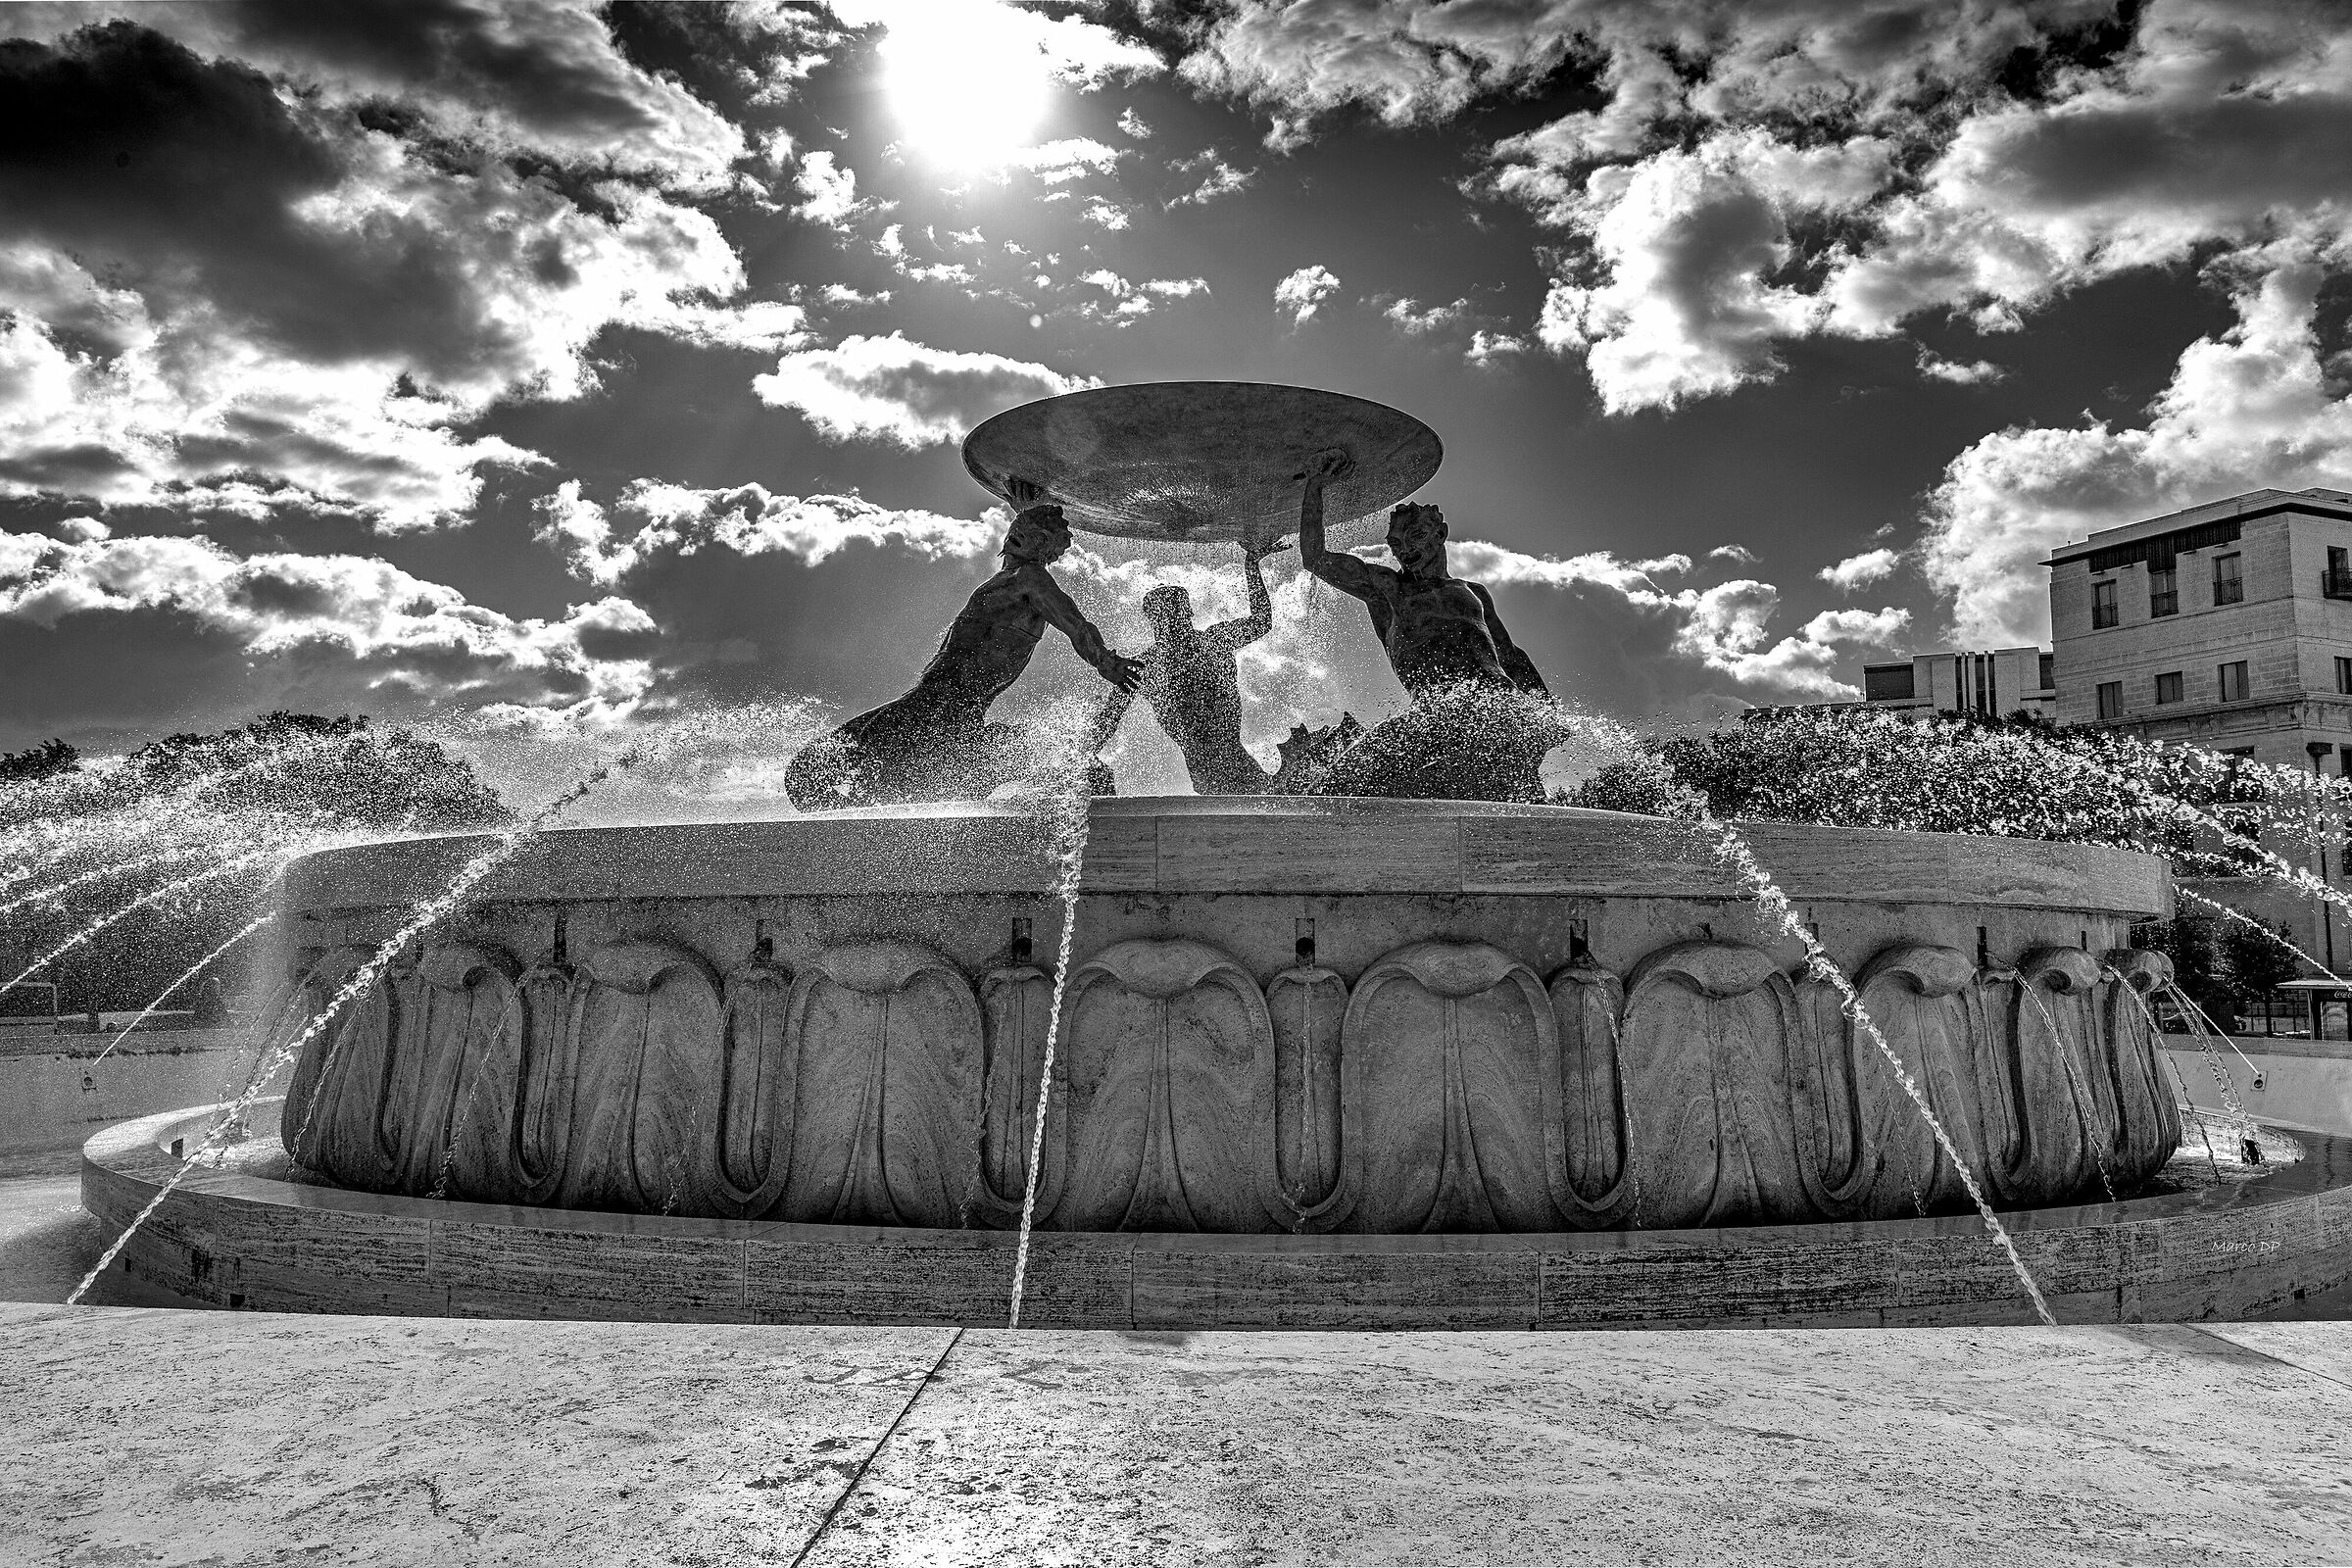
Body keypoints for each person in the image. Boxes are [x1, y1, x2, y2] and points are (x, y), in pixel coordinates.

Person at [785, 479, 1143, 810]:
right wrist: (1026, 510)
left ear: (1039, 548)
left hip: (939, 711)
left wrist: (1105, 661)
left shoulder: (1030, 578)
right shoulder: (1011, 577)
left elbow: (1075, 624)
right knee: (823, 774)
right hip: (940, 710)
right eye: (1018, 528)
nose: (1015, 534)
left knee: (823, 770)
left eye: (1027, 534)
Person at [1294, 450, 1556, 802]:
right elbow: (1316, 559)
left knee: (1518, 797)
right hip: (1437, 714)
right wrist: (1316, 485)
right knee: (1337, 788)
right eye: (1396, 544)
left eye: (1416, 536)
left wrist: (1547, 713)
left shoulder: (1473, 592)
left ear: (1440, 534)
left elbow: (1510, 655)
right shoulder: (1387, 588)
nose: (1405, 550)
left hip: (1500, 708)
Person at [1087, 536, 1296, 795]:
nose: (1174, 620)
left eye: (1177, 612)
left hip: (1228, 765)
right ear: (1153, 621)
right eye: (1167, 615)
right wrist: (1083, 758)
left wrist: (1251, 566)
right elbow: (1110, 718)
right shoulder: (1145, 666)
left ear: (1189, 614)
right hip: (1209, 772)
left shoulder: (1212, 641)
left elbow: (1261, 623)